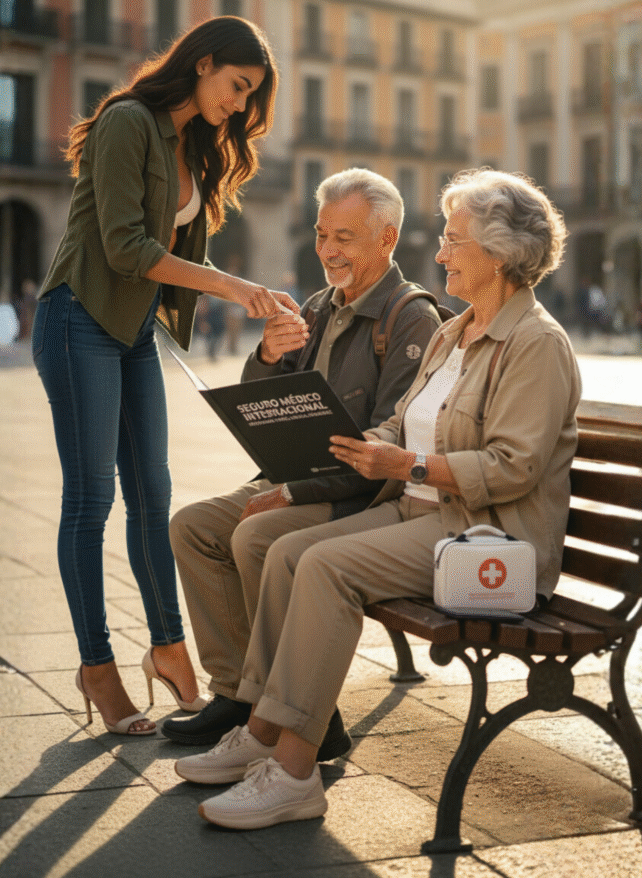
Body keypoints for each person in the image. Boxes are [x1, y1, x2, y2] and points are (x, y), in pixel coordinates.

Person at [174, 168, 581, 830]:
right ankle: (266, 728)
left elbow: (515, 465)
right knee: (286, 552)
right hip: (422, 513)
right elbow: (403, 420)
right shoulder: (458, 333)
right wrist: (380, 445)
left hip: (485, 537)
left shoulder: (535, 342)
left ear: (500, 253)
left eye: (453, 241)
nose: (440, 252)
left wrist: (405, 461)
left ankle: (296, 772)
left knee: (324, 566)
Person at [33, 16, 297, 738]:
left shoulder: (196, 147)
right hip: (79, 316)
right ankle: (96, 666)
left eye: (249, 98)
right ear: (203, 62)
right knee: (91, 499)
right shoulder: (128, 122)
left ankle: (169, 647)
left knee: (154, 493)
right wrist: (234, 287)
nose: (239, 106)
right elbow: (124, 247)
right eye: (237, 87)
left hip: (131, 330)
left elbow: (161, 257)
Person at [164, 168, 442, 752]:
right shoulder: (317, 306)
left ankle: (297, 709)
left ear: (387, 239)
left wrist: (293, 492)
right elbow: (264, 400)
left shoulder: (411, 317)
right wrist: (266, 354)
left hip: (355, 494)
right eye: (321, 234)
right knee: (192, 527)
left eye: (344, 237)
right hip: (294, 474)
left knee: (257, 535)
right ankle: (239, 695)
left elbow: (388, 441)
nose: (327, 250)